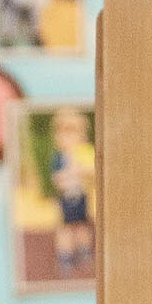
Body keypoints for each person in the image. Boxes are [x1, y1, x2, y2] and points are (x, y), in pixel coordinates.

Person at [48, 107, 95, 278]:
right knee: (66, 228)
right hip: (67, 198)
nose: (70, 139)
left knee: (83, 225)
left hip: (81, 196)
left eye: (74, 134)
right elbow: (57, 178)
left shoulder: (85, 153)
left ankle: (84, 252)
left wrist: (83, 170)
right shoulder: (59, 158)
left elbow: (93, 171)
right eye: (65, 135)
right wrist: (68, 173)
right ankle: (65, 257)